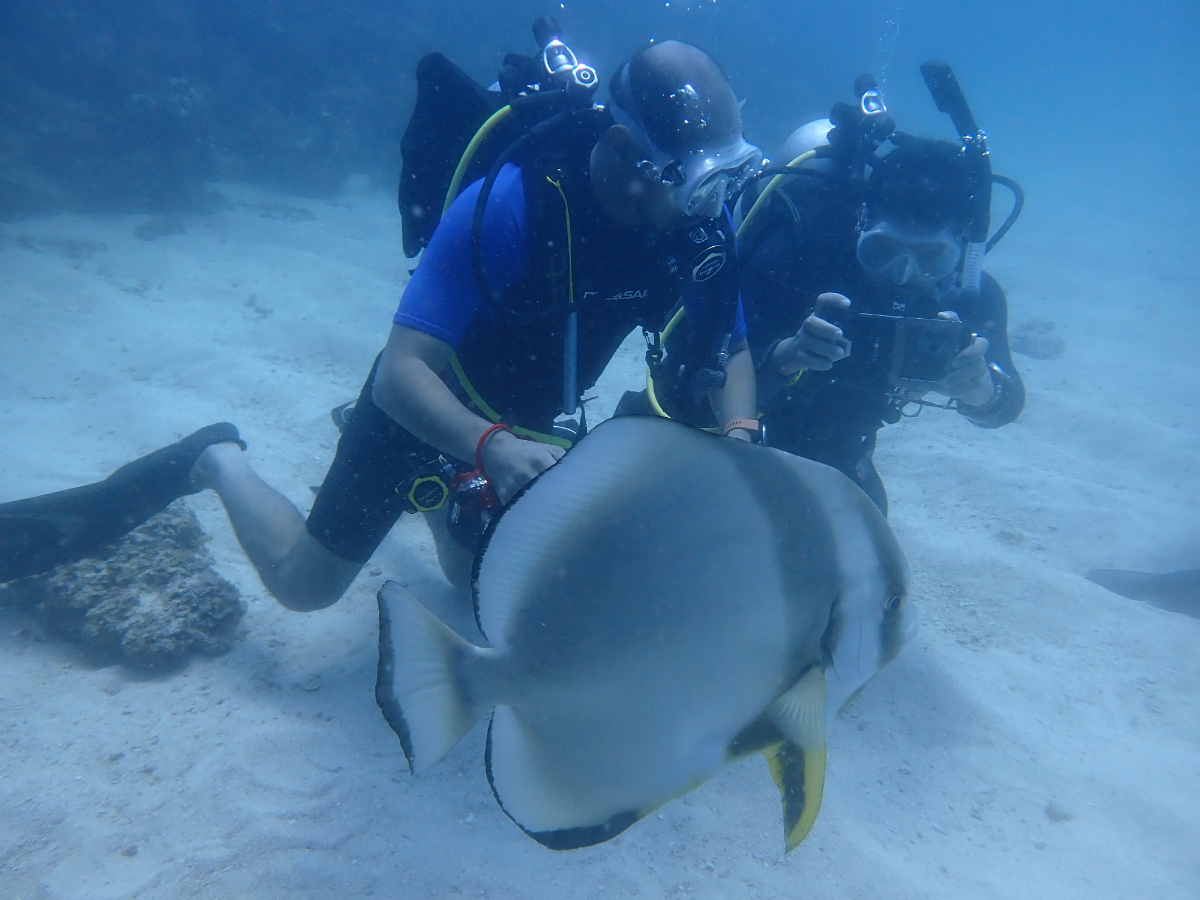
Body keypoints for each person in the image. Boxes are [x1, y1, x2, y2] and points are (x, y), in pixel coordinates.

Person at [0, 40, 763, 611]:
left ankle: (443, 494)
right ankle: (215, 458)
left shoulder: (695, 224)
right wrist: (488, 445)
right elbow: (402, 373)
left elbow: (729, 343)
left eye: (721, 182)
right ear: (629, 152)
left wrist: (739, 438)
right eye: (694, 183)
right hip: (427, 403)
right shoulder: (512, 205)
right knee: (305, 587)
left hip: (524, 428)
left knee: (474, 589)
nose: (709, 206)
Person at [625, 71, 1024, 515]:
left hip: (833, 454)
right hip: (704, 440)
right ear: (861, 224)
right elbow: (678, 393)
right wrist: (785, 356)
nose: (901, 274)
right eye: (882, 251)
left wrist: (983, 389)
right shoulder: (797, 249)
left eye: (931, 259)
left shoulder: (966, 292)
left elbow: (1007, 403)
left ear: (962, 255)